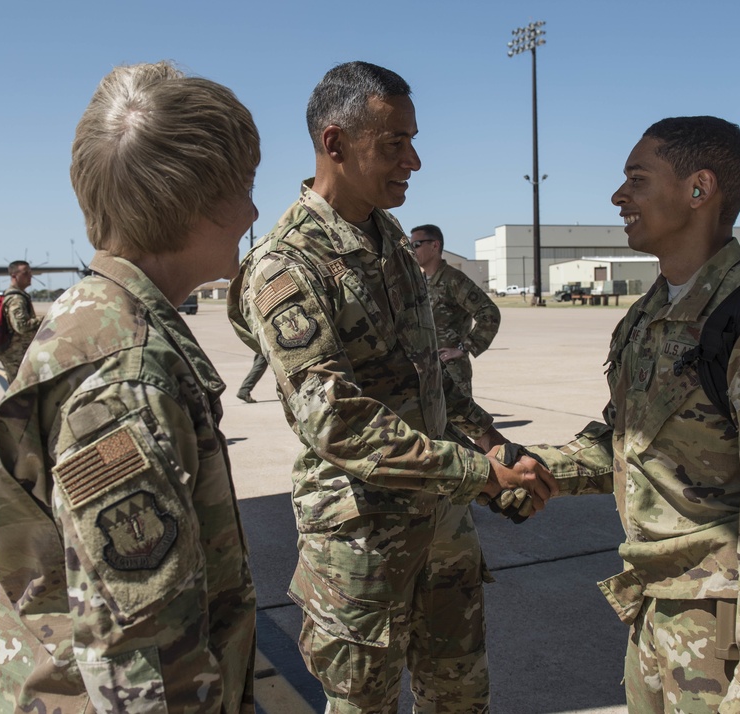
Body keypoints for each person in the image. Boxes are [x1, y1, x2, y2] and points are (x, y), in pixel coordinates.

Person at [228, 60, 556, 714]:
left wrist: (499, 451)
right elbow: (336, 422)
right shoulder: (285, 264)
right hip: (363, 549)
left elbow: (428, 372)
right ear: (335, 144)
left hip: (442, 533)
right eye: (395, 144)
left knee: (461, 699)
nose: (415, 160)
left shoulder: (390, 239)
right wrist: (478, 473)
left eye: (412, 139)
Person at [520, 116, 740, 712]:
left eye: (636, 179)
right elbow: (629, 445)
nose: (619, 197)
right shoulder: (649, 315)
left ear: (699, 190)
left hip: (731, 637)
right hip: (655, 613)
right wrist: (525, 466)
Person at [0, 61, 260, 713]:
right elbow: (142, 652)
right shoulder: (127, 373)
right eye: (247, 187)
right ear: (198, 204)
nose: (254, 210)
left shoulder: (101, 319)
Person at [410, 224, 500, 397]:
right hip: (425, 372)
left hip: (451, 373)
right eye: (410, 246)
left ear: (435, 246)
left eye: (416, 245)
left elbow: (489, 313)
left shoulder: (453, 280)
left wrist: (464, 347)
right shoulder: (419, 282)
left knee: (461, 423)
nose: (412, 250)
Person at [0, 260, 41, 384]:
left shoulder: (19, 296)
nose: (30, 276)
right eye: (25, 273)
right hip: (15, 355)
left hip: (20, 353)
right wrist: (44, 320)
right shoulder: (16, 299)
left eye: (30, 272)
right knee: (18, 393)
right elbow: (21, 326)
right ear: (14, 276)